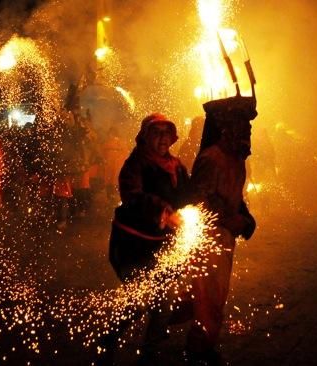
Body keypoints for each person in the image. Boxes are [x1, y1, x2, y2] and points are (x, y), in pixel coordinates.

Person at [101, 113, 189, 365]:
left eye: (166, 133)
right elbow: (132, 196)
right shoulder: (135, 164)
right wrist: (162, 211)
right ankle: (110, 336)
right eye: (156, 132)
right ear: (146, 136)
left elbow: (186, 195)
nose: (162, 138)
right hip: (133, 245)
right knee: (140, 300)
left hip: (163, 246)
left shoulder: (176, 165)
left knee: (165, 300)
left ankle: (151, 352)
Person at [187, 96, 257, 363]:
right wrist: (229, 218)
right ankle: (199, 350)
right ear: (226, 128)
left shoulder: (236, 159)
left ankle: (203, 343)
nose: (247, 132)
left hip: (225, 237)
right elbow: (200, 197)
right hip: (208, 238)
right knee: (207, 297)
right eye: (242, 126)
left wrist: (245, 217)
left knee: (218, 294)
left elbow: (234, 197)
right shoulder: (211, 158)